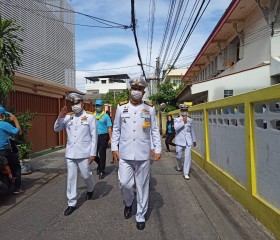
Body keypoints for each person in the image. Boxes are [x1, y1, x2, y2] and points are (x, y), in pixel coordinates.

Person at [111, 77, 162, 230]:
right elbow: (116, 129)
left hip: (143, 153)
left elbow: (154, 130)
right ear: (130, 90)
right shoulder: (121, 107)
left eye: (139, 89)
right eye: (134, 88)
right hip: (125, 153)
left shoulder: (150, 108)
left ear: (143, 91)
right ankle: (129, 202)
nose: (136, 91)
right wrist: (114, 148)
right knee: (125, 183)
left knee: (142, 186)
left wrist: (157, 148)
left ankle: (140, 215)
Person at [54, 93, 97, 216]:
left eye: (77, 102)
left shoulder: (89, 117)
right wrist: (60, 117)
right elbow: (56, 129)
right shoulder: (67, 117)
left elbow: (94, 136)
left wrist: (92, 153)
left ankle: (90, 188)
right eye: (72, 103)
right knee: (71, 177)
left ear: (82, 103)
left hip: (84, 152)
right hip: (71, 153)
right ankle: (71, 202)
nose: (74, 106)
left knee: (86, 175)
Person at [0, 106, 23, 194]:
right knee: (16, 167)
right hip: (4, 152)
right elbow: (19, 132)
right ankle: (17, 188)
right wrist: (15, 120)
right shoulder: (4, 125)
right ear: (2, 115)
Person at [174, 104, 196, 180]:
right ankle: (179, 164)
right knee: (178, 156)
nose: (184, 112)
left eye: (185, 110)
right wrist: (183, 121)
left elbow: (192, 130)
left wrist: (194, 140)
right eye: (183, 110)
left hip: (188, 141)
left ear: (187, 111)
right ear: (180, 111)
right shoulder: (176, 119)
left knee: (187, 157)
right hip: (179, 141)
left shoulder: (190, 120)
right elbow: (176, 128)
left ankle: (186, 173)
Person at [93, 99, 112, 179]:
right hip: (94, 137)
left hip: (103, 136)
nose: (97, 107)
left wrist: (111, 138)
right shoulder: (92, 116)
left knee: (102, 154)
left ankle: (102, 170)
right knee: (93, 154)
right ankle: (100, 164)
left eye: (99, 106)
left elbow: (109, 128)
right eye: (96, 106)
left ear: (102, 106)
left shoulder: (106, 116)